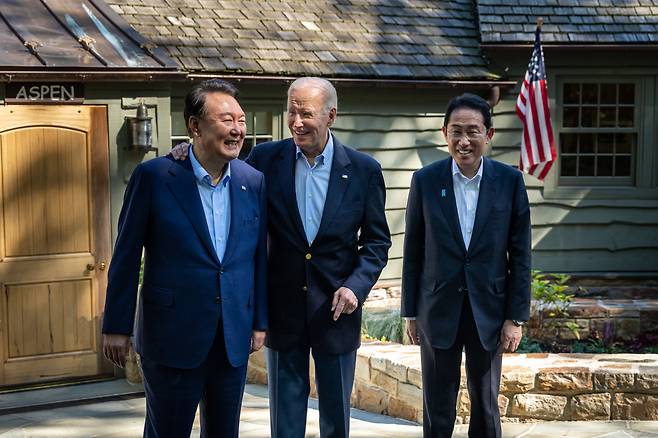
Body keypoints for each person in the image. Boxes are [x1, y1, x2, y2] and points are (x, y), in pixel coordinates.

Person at [171, 76, 391, 438]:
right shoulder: (264, 159)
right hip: (283, 311)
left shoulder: (364, 170)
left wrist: (356, 287)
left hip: (337, 313)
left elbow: (377, 243)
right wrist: (182, 153)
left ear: (331, 115)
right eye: (291, 111)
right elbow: (217, 165)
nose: (296, 121)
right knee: (285, 424)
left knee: (336, 421)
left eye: (306, 113)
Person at [102, 79, 268, 438]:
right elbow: (126, 256)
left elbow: (256, 258)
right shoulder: (155, 177)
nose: (238, 129)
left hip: (231, 340)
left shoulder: (252, 181)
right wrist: (116, 325)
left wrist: (258, 320)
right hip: (171, 337)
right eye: (227, 120)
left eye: (241, 120)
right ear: (195, 126)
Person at [401, 93, 531, 438]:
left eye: (472, 131)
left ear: (488, 134)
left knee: (486, 407)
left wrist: (515, 318)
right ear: (444, 133)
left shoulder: (510, 182)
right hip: (437, 309)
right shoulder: (425, 181)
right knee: (437, 406)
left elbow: (520, 255)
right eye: (456, 131)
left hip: (488, 311)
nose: (463, 141)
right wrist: (410, 313)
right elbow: (413, 250)